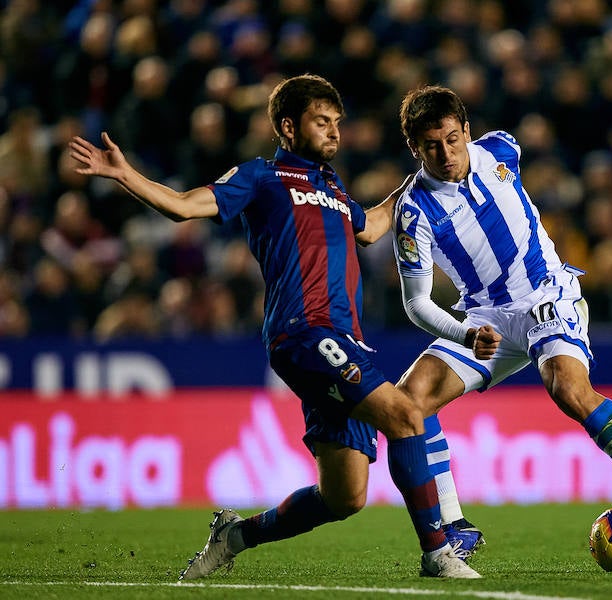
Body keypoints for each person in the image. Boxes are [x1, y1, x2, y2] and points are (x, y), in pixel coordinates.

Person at [69, 74, 480, 579]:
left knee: (345, 496)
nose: (334, 131)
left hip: (346, 341)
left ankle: (234, 536)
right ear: (288, 126)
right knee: (405, 414)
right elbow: (184, 205)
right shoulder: (262, 177)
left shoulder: (333, 187)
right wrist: (125, 174)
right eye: (321, 122)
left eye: (337, 122)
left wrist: (418, 179)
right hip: (303, 332)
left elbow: (372, 228)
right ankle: (438, 551)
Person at [390, 85, 612, 563]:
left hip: (545, 294)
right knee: (410, 400)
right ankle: (454, 525)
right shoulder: (413, 211)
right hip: (484, 319)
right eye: (431, 146)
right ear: (414, 148)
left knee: (566, 386)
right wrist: (464, 333)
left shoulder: (499, 149)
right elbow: (416, 303)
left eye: (452, 139)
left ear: (467, 130)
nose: (445, 154)